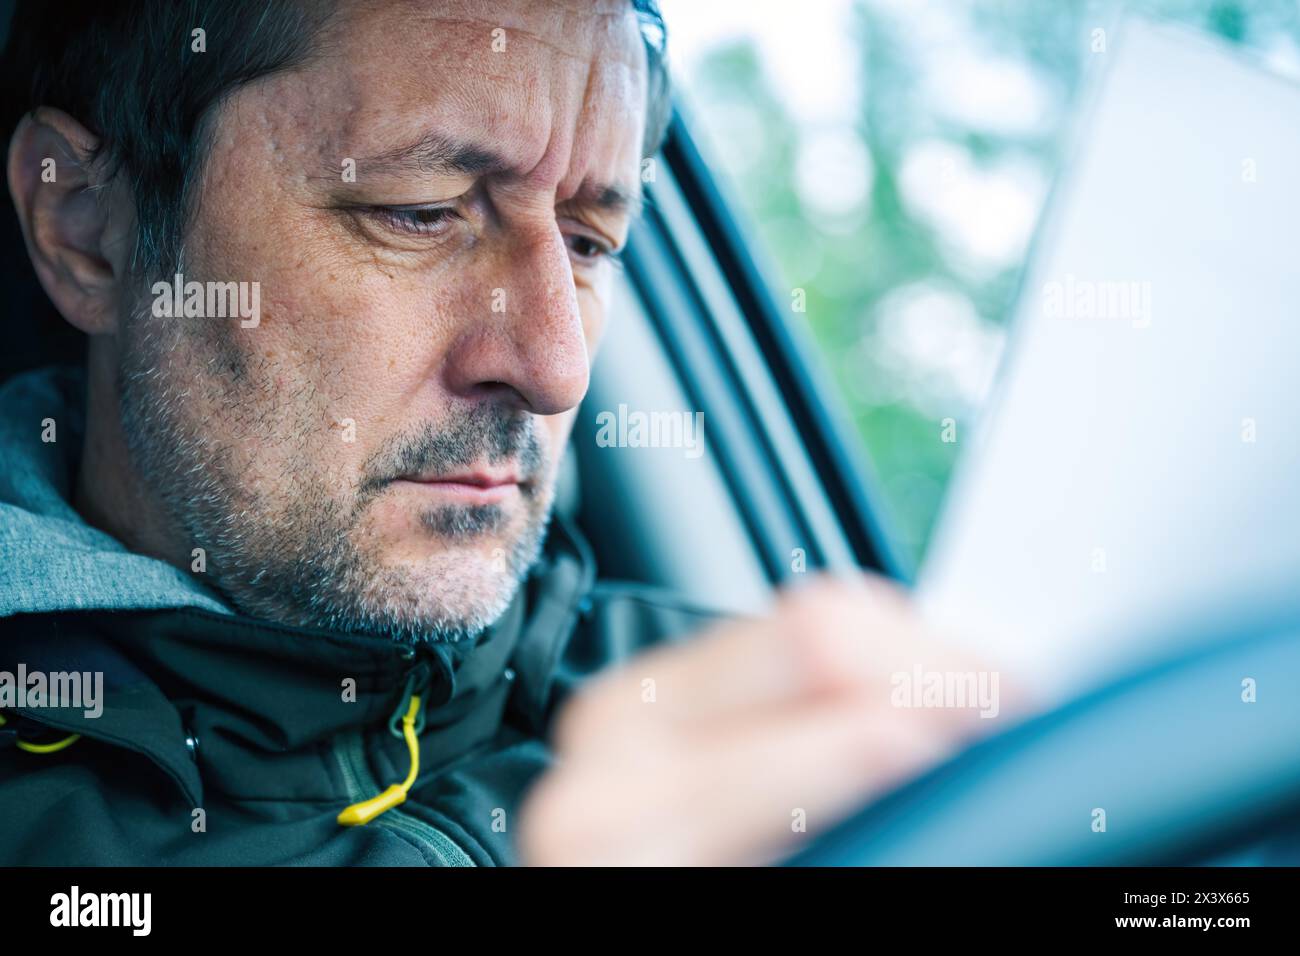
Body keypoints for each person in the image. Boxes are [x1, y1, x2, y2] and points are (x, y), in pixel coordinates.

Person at [0, 0, 1011, 866]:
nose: (553, 366)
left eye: (587, 241)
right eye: (420, 212)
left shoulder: (744, 708)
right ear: (86, 228)